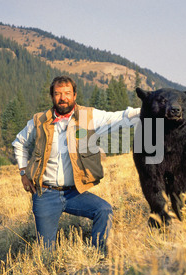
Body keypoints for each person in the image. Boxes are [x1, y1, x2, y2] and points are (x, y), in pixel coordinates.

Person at [12, 76, 140, 250]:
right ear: (52, 97)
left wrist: (148, 108)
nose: (63, 98)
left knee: (104, 210)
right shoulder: (39, 120)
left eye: (67, 93)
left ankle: (97, 254)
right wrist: (23, 173)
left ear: (75, 95)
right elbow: (20, 143)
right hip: (45, 194)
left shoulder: (88, 117)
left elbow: (118, 117)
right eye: (58, 94)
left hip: (74, 193)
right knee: (45, 250)